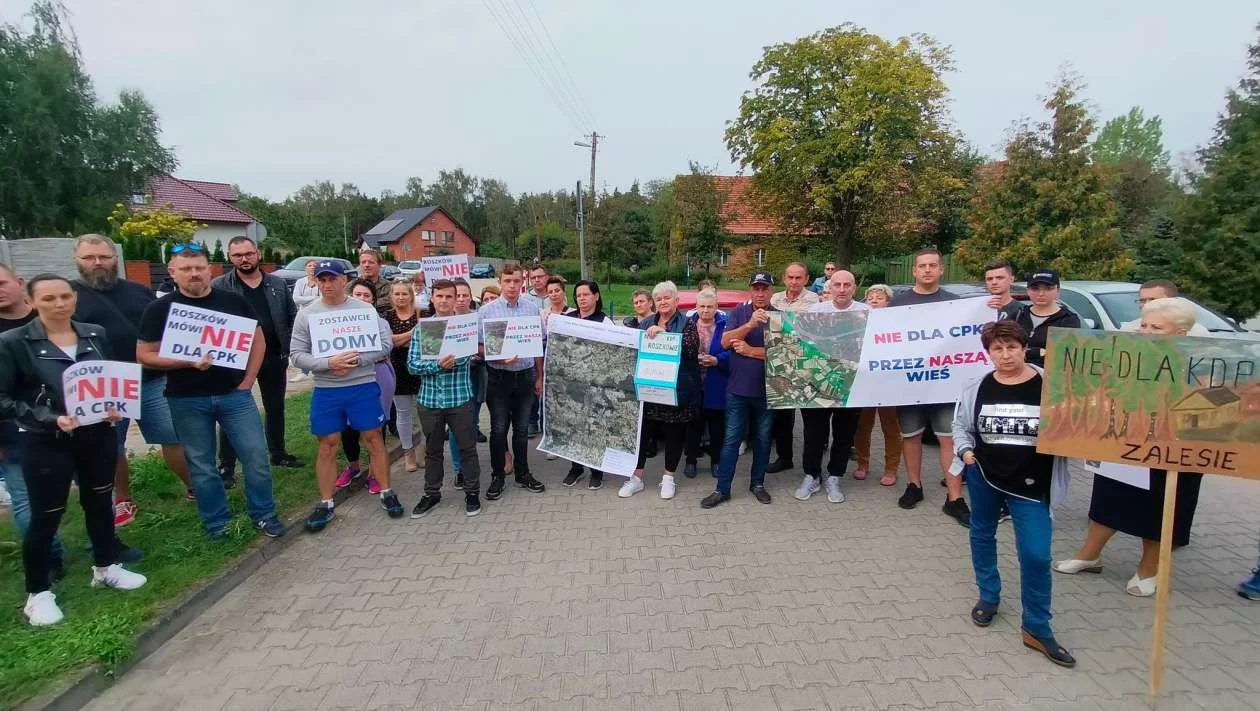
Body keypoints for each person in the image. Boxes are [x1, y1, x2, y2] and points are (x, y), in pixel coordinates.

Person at [0, 274, 149, 626]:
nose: (59, 304)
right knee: (47, 513)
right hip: (45, 439)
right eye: (49, 298)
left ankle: (106, 565)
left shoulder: (94, 333)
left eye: (65, 296)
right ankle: (38, 593)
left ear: (74, 300)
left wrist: (115, 406)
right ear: (33, 301)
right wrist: (49, 417)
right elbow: (3, 399)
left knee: (99, 501)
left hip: (95, 434)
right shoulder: (13, 342)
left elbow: (109, 377)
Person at [1054, 297, 1204, 597]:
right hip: (1124, 445)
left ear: (1181, 334)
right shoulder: (1127, 357)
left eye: (1157, 328)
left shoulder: (1199, 364)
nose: (1146, 332)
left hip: (1171, 453)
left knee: (1162, 508)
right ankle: (1090, 555)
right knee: (1108, 498)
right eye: (1144, 325)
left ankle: (1150, 569)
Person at [136, 244, 285, 539]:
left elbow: (258, 342)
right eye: (186, 269)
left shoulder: (234, 302)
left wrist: (248, 379)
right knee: (201, 465)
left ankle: (264, 514)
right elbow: (144, 354)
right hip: (186, 399)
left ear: (210, 270)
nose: (194, 274)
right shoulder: (159, 309)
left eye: (199, 268)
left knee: (255, 457)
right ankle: (217, 522)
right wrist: (185, 361)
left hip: (234, 395)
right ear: (173, 273)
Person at [952, 320, 1075, 667]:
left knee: (1036, 555)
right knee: (982, 535)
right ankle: (989, 595)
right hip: (986, 477)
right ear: (988, 353)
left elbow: (1077, 428)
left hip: (1032, 485)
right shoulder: (977, 386)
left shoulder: (1051, 387)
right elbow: (961, 425)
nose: (1005, 355)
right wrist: (964, 452)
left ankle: (1037, 626)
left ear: (1024, 348)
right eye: (997, 349)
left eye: (1012, 348)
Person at [71, 235, 192, 530]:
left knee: (172, 436)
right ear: (77, 261)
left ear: (116, 258)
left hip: (150, 379)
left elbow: (165, 329)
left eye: (104, 256)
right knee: (112, 448)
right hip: (102, 387)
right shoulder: (68, 295)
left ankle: (194, 485)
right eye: (89, 257)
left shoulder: (140, 292)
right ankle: (122, 498)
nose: (97, 262)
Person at [290, 261, 402, 531]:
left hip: (362, 385)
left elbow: (385, 345)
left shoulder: (364, 309)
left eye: (333, 279)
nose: (327, 285)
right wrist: (329, 364)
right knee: (327, 444)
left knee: (374, 437)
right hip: (327, 389)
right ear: (316, 282)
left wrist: (356, 360)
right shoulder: (307, 314)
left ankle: (387, 492)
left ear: (344, 280)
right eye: (322, 280)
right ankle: (326, 502)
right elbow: (296, 354)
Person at [213, 236, 303, 483]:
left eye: (248, 253)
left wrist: (291, 347)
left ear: (258, 254)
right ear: (230, 258)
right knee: (231, 410)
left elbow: (291, 316)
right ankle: (227, 465)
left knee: (275, 408)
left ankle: (278, 453)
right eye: (238, 255)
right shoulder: (220, 286)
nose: (244, 259)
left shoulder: (276, 283)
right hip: (236, 361)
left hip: (274, 356)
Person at [891, 248, 970, 526]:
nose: (927, 270)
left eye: (932, 265)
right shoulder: (897, 304)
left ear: (941, 270)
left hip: (945, 385)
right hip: (909, 384)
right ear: (914, 270)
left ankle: (955, 497)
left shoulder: (955, 304)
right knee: (911, 436)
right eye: (922, 266)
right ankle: (914, 485)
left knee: (949, 438)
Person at [0, 264, 68, 577]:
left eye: (2, 282)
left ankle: (106, 551)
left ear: (20, 284)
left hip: (76, 426)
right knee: (27, 499)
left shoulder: (57, 323)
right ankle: (49, 559)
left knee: (97, 492)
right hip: (13, 431)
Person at [701, 272, 777, 509]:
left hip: (767, 391)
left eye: (765, 289)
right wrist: (751, 324)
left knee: (763, 440)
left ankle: (758, 484)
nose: (760, 293)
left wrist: (749, 350)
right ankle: (722, 489)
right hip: (737, 390)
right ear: (751, 291)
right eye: (756, 288)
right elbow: (725, 342)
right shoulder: (738, 313)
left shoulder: (781, 318)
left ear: (771, 291)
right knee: (731, 440)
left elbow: (785, 355)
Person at [408, 279, 483, 518]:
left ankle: (472, 493)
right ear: (432, 298)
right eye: (439, 296)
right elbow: (412, 365)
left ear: (456, 299)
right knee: (433, 451)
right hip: (429, 401)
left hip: (459, 399)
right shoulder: (422, 329)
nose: (444, 301)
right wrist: (437, 365)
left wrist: (446, 362)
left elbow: (465, 356)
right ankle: (432, 493)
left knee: (467, 449)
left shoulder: (464, 327)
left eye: (449, 297)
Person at [794, 270, 869, 504]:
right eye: (837, 284)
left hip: (851, 385)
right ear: (830, 287)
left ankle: (835, 476)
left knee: (844, 434)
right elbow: (801, 341)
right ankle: (812, 475)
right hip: (819, 383)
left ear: (854, 288)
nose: (842, 289)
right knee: (814, 432)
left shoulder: (867, 313)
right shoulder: (816, 311)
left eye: (847, 284)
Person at [477, 263, 546, 499]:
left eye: (517, 281)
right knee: (497, 430)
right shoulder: (486, 312)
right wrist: (496, 355)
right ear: (500, 282)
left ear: (522, 282)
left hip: (525, 377)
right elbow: (478, 346)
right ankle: (498, 476)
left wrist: (540, 376)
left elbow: (538, 345)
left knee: (522, 430)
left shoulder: (530, 308)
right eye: (508, 281)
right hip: (498, 378)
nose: (512, 286)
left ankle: (523, 473)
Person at [333, 280, 398, 493]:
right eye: (358, 295)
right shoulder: (336, 323)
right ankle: (353, 467)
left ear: (373, 300)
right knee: (348, 426)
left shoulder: (382, 323)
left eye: (367, 296)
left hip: (377, 374)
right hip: (345, 378)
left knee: (375, 428)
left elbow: (385, 349)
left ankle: (374, 473)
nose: (362, 299)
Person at [552, 280, 616, 489]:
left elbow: (613, 353)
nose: (582, 299)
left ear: (596, 296)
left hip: (595, 385)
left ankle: (597, 471)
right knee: (574, 427)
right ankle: (576, 467)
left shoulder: (604, 321)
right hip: (571, 384)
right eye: (578, 295)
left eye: (586, 294)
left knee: (594, 428)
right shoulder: (567, 319)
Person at [767, 262, 818, 475]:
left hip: (807, 364)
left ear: (806, 279)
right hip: (782, 364)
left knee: (811, 418)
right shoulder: (775, 299)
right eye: (790, 277)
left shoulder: (815, 301)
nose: (794, 282)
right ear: (784, 279)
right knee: (783, 418)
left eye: (799, 278)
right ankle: (785, 457)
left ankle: (812, 462)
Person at [853, 284, 902, 487]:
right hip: (864, 382)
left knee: (890, 427)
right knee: (862, 426)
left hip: (888, 383)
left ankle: (891, 469)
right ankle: (862, 465)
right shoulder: (858, 323)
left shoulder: (897, 324)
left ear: (888, 302)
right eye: (870, 297)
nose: (873, 300)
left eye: (879, 297)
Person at [685, 289, 729, 478]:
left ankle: (716, 461)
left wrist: (717, 360)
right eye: (702, 306)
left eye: (709, 307)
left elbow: (734, 351)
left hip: (717, 383)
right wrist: (691, 358)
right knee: (693, 425)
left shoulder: (726, 325)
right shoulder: (688, 324)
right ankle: (691, 460)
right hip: (693, 384)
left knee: (717, 427)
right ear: (696, 307)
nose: (705, 310)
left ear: (716, 307)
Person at [384, 282, 421, 472]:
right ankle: (408, 452)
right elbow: (390, 342)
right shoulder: (387, 318)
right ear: (391, 296)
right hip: (398, 368)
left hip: (420, 368)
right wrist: (412, 333)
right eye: (396, 294)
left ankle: (425, 449)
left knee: (425, 412)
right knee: (403, 412)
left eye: (404, 294)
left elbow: (427, 339)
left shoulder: (421, 314)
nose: (400, 297)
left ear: (411, 295)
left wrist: (400, 339)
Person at [1015, 270, 1080, 368]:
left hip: (1050, 379)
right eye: (1035, 288)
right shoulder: (1018, 315)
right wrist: (1039, 352)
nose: (1041, 293)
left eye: (1048, 288)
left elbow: (1066, 356)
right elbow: (1005, 348)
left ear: (1058, 290)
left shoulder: (1068, 320)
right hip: (1017, 377)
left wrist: (1026, 352)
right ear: (1028, 290)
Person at [1119, 279, 1210, 335]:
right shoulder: (1127, 330)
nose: (1147, 304)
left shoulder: (1198, 333)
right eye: (1142, 300)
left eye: (1153, 300)